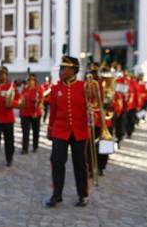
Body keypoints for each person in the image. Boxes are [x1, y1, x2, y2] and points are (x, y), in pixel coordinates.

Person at [46, 56, 90, 208]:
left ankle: (83, 194)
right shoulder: (56, 89)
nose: (61, 71)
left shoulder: (84, 87)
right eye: (61, 68)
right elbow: (53, 112)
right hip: (60, 130)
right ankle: (56, 194)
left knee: (80, 164)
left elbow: (93, 107)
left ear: (73, 70)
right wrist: (50, 129)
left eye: (64, 68)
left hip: (79, 130)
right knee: (57, 162)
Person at [0, 66, 20, 168]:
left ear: (6, 75)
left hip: (7, 119)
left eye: (2, 73)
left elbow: (19, 99)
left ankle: (9, 158)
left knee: (9, 141)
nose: (0, 75)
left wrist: (12, 103)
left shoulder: (11, 86)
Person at [19, 73, 43, 154]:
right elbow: (21, 100)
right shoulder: (24, 89)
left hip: (35, 113)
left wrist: (39, 105)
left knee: (36, 131)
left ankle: (35, 146)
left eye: (31, 80)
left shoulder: (39, 89)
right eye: (28, 80)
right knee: (25, 132)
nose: (29, 82)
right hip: (25, 114)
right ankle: (24, 149)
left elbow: (41, 100)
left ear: (34, 81)